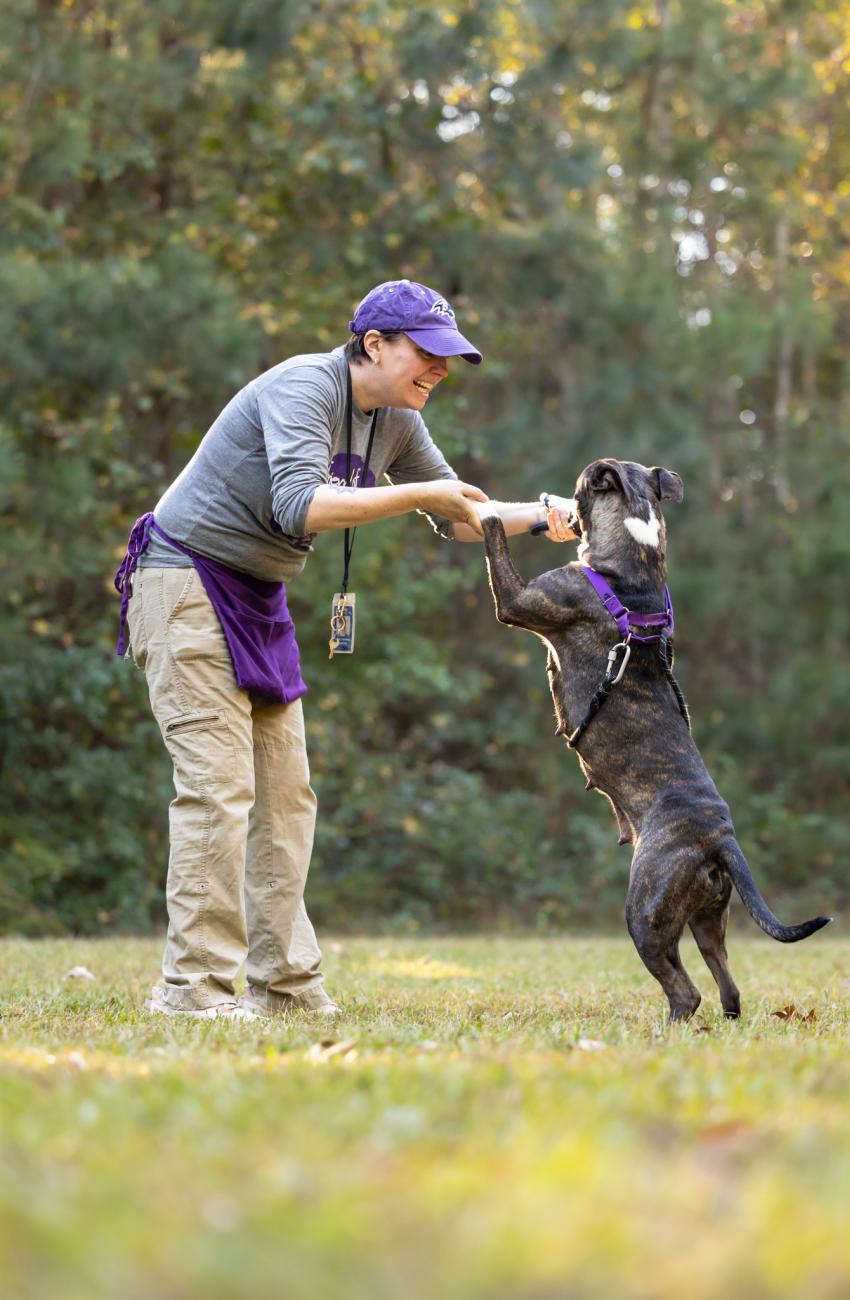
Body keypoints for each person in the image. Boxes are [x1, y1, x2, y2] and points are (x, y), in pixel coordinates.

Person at [115, 279, 574, 1021]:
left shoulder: (394, 418)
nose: (441, 371)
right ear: (374, 345)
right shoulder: (304, 387)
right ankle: (191, 991)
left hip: (257, 598)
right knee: (219, 790)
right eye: (428, 354)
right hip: (184, 581)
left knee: (288, 801)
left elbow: (460, 514)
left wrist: (552, 516)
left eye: (449, 359)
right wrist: (422, 497)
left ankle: (286, 988)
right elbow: (302, 505)